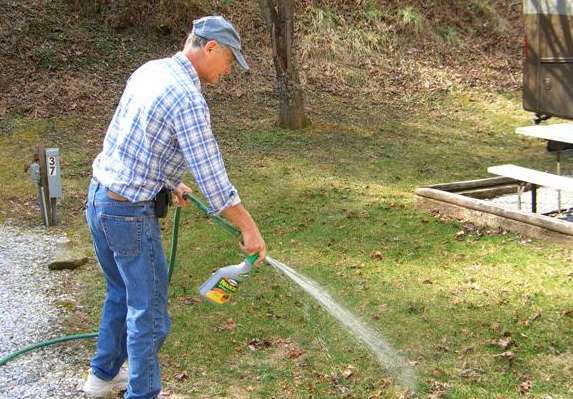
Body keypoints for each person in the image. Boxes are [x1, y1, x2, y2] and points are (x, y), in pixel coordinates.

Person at [82, 16, 266, 399]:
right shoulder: (187, 97)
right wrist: (249, 228)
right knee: (149, 317)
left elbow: (135, 141)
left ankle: (101, 378)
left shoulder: (151, 71)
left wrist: (170, 181)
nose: (229, 70)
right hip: (127, 213)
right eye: (229, 59)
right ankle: (142, 393)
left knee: (120, 292)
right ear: (210, 48)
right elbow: (214, 179)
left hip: (99, 198)